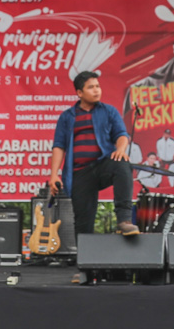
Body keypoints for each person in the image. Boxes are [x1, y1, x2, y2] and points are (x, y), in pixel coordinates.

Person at [48, 71, 139, 239]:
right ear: (79, 93)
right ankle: (84, 254)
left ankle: (124, 220)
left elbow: (121, 135)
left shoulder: (109, 111)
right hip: (79, 173)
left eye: (98, 86)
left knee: (122, 163)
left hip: (102, 165)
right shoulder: (67, 117)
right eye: (91, 87)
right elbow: (59, 146)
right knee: (83, 226)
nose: (97, 90)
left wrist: (120, 149)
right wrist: (54, 174)